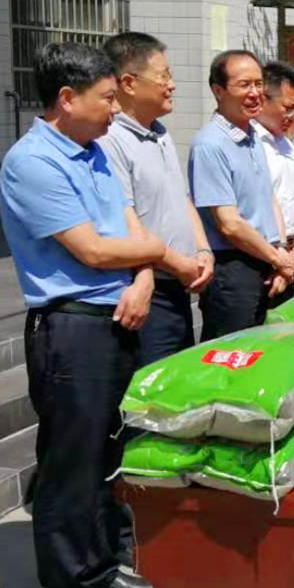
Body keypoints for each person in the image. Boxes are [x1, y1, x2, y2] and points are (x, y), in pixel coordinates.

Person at [0, 42, 166, 588]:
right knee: (70, 462)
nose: (114, 110)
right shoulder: (33, 162)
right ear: (67, 99)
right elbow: (92, 250)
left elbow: (129, 229)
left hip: (119, 317)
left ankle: (99, 566)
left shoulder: (94, 153)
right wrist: (159, 254)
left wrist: (145, 276)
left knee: (107, 454)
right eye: (106, 98)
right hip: (70, 329)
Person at [101, 32, 214, 364]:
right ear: (129, 83)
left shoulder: (160, 134)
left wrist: (203, 251)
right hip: (148, 288)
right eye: (163, 76)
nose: (172, 85)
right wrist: (179, 264)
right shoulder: (110, 140)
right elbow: (125, 219)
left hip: (180, 283)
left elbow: (183, 199)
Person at [189, 50, 294, 339]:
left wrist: (279, 251)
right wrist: (277, 258)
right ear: (218, 91)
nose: (255, 93)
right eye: (244, 85)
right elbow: (229, 224)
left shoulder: (252, 137)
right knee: (232, 353)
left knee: (265, 352)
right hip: (233, 270)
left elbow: (268, 197)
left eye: (259, 84)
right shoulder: (210, 145)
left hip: (265, 260)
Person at [253, 61, 294, 305]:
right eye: (287, 108)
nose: (292, 116)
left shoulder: (287, 145)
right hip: (263, 256)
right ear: (263, 99)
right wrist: (279, 256)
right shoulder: (250, 143)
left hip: (289, 258)